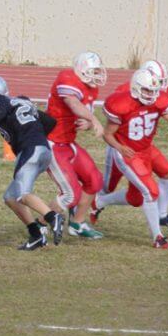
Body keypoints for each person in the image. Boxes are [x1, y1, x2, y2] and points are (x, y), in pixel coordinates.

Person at [92, 69, 168, 248]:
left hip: (146, 149)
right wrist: (120, 147)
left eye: (153, 91)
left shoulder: (158, 100)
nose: (151, 95)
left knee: (136, 198)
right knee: (151, 192)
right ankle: (158, 237)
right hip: (128, 153)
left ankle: (98, 202)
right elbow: (108, 134)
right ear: (136, 88)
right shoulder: (122, 104)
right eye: (147, 90)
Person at [0, 75, 64, 250]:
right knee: (11, 197)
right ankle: (36, 235)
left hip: (30, 150)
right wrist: (33, 133)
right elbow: (50, 122)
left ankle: (52, 217)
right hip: (42, 150)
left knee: (23, 195)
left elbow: (1, 109)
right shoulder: (21, 103)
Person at [99, 60, 168, 231]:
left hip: (143, 147)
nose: (160, 87)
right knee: (108, 186)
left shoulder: (158, 91)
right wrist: (119, 146)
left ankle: (162, 215)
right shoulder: (124, 93)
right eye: (156, 82)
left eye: (161, 82)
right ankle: (86, 207)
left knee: (159, 179)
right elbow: (111, 129)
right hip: (120, 147)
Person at [45, 51, 106, 239]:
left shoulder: (91, 88)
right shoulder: (67, 78)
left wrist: (88, 123)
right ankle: (39, 225)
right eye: (93, 71)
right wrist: (94, 119)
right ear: (82, 70)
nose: (97, 75)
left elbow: (83, 115)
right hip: (53, 143)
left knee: (95, 180)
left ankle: (77, 224)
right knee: (71, 195)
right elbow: (73, 104)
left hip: (68, 143)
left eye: (98, 71)